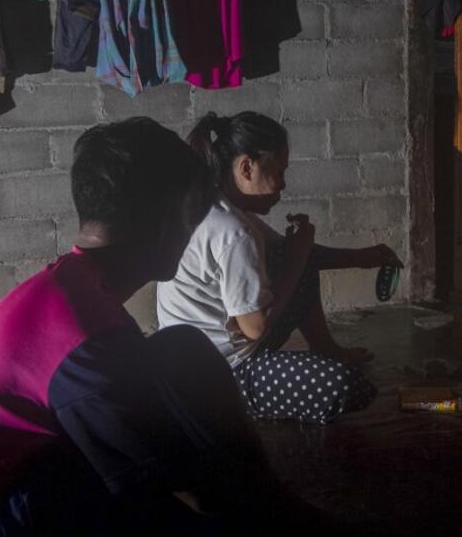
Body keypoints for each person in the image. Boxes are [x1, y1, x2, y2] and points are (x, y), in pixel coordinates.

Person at [0, 118, 320, 536]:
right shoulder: (80, 336)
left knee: (180, 349)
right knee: (123, 494)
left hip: (18, 489)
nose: (195, 227)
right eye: (192, 211)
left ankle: (266, 505)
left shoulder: (73, 287)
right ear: (162, 217)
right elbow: (147, 507)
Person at [157, 111, 402, 424]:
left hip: (191, 364)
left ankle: (325, 348)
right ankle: (245, 404)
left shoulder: (216, 207)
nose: (284, 184)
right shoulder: (233, 231)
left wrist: (363, 257)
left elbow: (297, 253)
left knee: (296, 259)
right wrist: (298, 257)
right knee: (347, 386)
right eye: (280, 170)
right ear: (247, 167)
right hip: (220, 377)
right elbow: (255, 328)